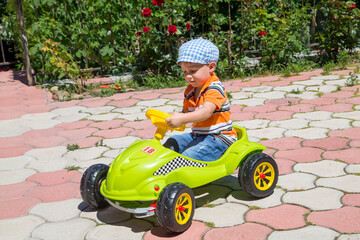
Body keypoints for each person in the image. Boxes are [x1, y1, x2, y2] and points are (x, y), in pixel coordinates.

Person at [164, 38, 237, 161]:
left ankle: (180, 176)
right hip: (198, 135)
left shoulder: (214, 88)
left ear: (211, 67)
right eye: (185, 71)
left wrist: (182, 118)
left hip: (219, 139)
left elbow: (205, 112)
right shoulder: (191, 90)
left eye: (193, 71)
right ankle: (161, 168)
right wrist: (175, 116)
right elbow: (187, 113)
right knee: (173, 142)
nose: (188, 76)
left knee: (188, 157)